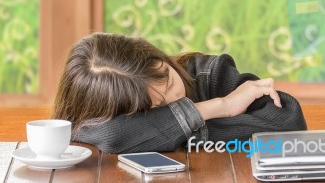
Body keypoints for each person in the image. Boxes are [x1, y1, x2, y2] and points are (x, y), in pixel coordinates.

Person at [52, 33, 307, 153]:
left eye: (170, 81)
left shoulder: (209, 73)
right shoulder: (96, 122)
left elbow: (290, 127)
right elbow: (88, 129)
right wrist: (219, 108)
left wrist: (177, 134)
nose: (176, 98)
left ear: (156, 55)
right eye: (158, 106)